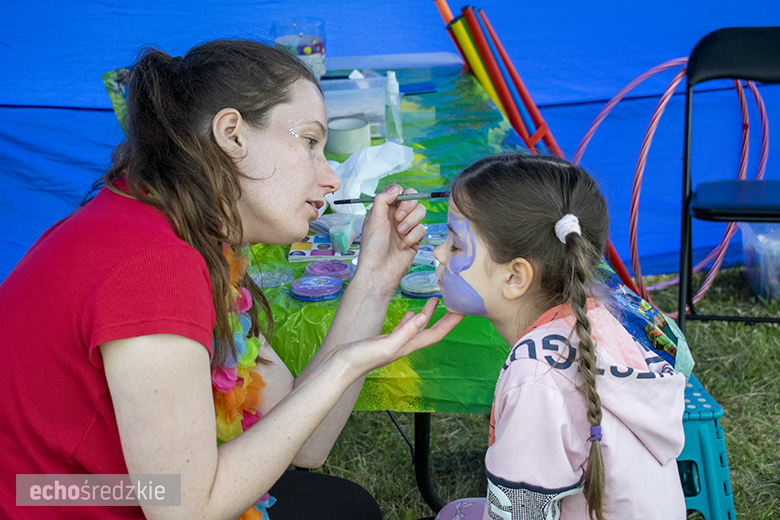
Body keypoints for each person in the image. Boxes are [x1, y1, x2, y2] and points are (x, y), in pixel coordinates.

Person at [0, 39, 463, 520]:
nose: (331, 179)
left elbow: (305, 441)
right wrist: (344, 366)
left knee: (342, 506)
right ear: (232, 134)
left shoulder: (185, 231)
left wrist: (376, 277)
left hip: (106, 495)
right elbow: (184, 509)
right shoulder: (154, 266)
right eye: (309, 142)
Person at [430, 154, 686, 520]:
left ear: (516, 277)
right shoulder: (600, 314)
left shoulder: (534, 380)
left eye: (455, 244)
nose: (438, 253)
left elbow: (518, 516)